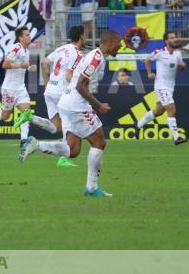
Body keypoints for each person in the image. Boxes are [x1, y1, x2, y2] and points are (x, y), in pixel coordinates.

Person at [19, 30, 123, 197]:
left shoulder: (95, 56)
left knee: (73, 150)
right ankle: (91, 187)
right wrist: (98, 106)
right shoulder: (95, 58)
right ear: (110, 42)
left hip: (66, 103)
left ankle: (36, 144)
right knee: (99, 142)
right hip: (77, 105)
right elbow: (81, 85)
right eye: (119, 42)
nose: (120, 46)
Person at [14, 26, 85, 168]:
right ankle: (63, 159)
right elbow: (68, 75)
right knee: (68, 125)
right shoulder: (78, 54)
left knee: (55, 128)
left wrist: (47, 83)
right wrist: (80, 88)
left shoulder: (62, 48)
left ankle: (29, 117)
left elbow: (44, 63)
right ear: (82, 36)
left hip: (50, 90)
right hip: (62, 93)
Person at [0, 26, 49, 146]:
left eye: (29, 34)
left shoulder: (26, 51)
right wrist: (23, 65)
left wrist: (29, 67)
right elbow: (5, 64)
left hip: (21, 88)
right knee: (5, 116)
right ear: (20, 38)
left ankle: (24, 140)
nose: (29, 36)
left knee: (26, 112)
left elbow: (21, 66)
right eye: (27, 35)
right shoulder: (16, 48)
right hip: (9, 88)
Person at [137, 32, 187, 145]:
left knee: (159, 111)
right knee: (171, 109)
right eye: (172, 38)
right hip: (161, 86)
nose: (174, 39)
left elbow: (181, 67)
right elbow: (147, 60)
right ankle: (176, 138)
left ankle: (139, 124)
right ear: (166, 41)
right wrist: (149, 73)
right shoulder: (159, 53)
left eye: (175, 37)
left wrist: (182, 66)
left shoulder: (178, 54)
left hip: (170, 87)